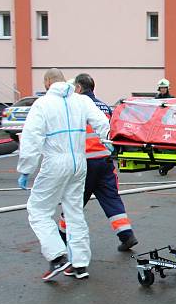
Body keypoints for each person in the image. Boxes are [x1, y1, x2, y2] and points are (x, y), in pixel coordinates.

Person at [17, 68, 111, 281]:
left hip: (55, 163)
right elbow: (102, 124)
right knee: (74, 212)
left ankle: (58, 256)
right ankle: (80, 264)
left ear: (48, 82)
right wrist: (109, 142)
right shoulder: (81, 101)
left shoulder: (42, 104)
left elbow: (32, 138)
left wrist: (26, 169)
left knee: (38, 210)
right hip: (79, 162)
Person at [57, 73, 139, 254]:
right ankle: (126, 235)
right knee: (111, 198)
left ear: (78, 88)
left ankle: (60, 239)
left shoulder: (76, 106)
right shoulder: (104, 106)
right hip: (105, 160)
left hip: (85, 162)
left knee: (73, 202)